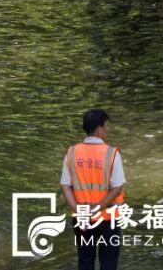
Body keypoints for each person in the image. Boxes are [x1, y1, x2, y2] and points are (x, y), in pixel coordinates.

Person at [61, 109, 125, 270]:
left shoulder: (71, 153)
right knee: (109, 264)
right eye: (106, 126)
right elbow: (117, 188)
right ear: (98, 128)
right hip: (108, 219)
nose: (107, 129)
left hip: (82, 220)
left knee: (85, 261)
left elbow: (65, 185)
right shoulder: (112, 154)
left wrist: (79, 211)